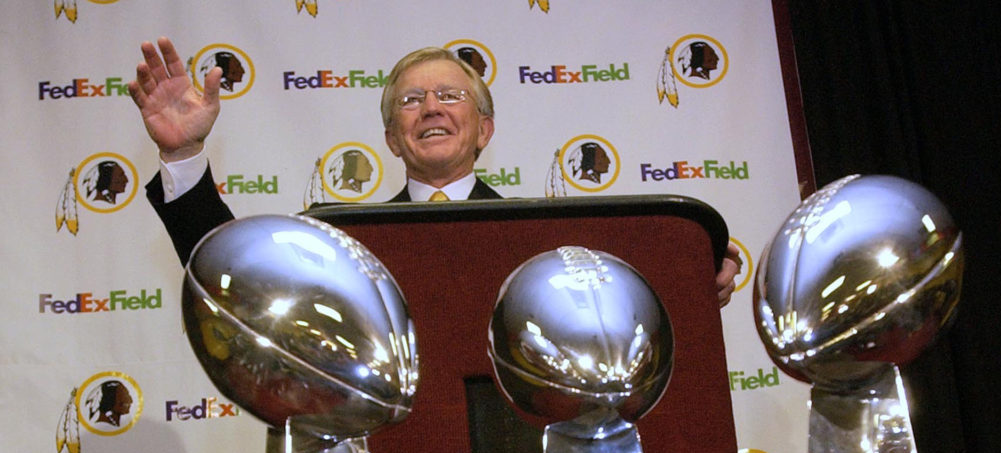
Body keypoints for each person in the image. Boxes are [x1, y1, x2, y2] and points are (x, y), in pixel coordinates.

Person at [128, 37, 741, 304]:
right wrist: (183, 157)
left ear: (484, 129)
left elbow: (628, 294)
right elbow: (235, 279)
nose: (431, 109)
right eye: (411, 102)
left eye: (450, 96)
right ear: (393, 139)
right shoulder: (344, 242)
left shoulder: (550, 239)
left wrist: (692, 275)